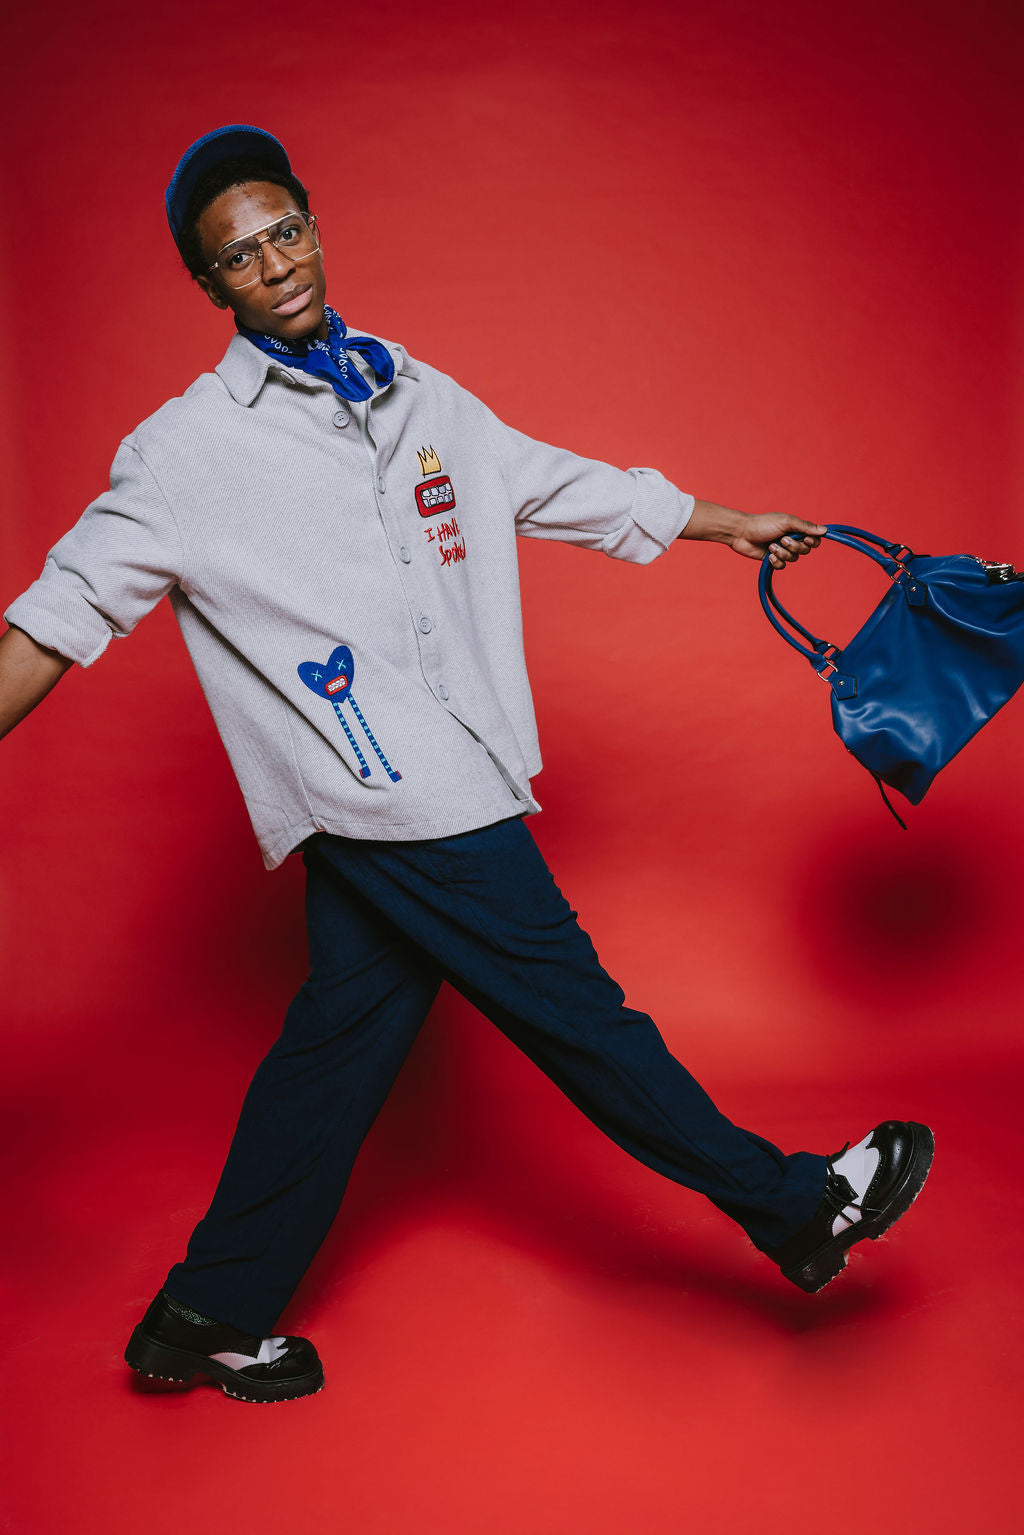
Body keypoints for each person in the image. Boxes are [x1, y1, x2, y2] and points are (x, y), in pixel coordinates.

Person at [0, 125, 933, 1406]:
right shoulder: (180, 453)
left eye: (286, 232)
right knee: (581, 1015)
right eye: (242, 256)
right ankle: (798, 1207)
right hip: (396, 790)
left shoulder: (411, 389)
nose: (276, 264)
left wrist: (725, 524)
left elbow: (545, 483)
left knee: (339, 1042)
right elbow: (56, 617)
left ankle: (203, 1315)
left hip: (454, 763)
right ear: (209, 285)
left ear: (315, 227)